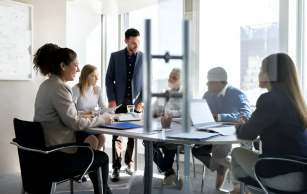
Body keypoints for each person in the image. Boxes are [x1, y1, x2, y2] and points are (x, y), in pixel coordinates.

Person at [33, 43, 113, 194]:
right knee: (101, 157)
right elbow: (74, 123)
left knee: (92, 141)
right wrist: (103, 120)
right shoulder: (60, 88)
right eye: (75, 65)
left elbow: (66, 115)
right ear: (63, 66)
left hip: (44, 149)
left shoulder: (46, 85)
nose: (78, 70)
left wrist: (84, 116)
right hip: (57, 152)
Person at [231, 53, 307, 194]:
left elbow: (247, 134)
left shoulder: (270, 99)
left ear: (267, 74)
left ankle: (238, 190)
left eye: (260, 70)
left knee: (236, 154)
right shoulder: (296, 101)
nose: (258, 74)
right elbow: (277, 130)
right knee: (242, 167)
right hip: (302, 173)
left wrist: (240, 126)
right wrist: (251, 124)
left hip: (285, 175)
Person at [192, 67, 252, 190]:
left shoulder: (237, 94)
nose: (206, 83)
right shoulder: (208, 94)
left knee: (218, 157)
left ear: (217, 81)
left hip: (229, 134)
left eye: (208, 80)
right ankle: (221, 167)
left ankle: (243, 183)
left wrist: (219, 117)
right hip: (212, 133)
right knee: (196, 150)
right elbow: (201, 111)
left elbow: (246, 114)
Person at [106, 28, 143, 181]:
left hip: (135, 104)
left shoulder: (144, 58)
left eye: (138, 42)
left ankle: (129, 163)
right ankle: (115, 166)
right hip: (118, 102)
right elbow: (109, 79)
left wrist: (143, 101)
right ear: (126, 41)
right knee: (117, 135)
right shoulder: (115, 56)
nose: (136, 45)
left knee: (132, 136)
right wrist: (111, 99)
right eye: (133, 42)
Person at [151, 68, 184, 189]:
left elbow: (186, 112)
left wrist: (170, 112)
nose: (170, 79)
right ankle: (170, 173)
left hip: (177, 132)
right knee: (148, 142)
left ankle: (169, 173)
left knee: (170, 143)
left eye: (174, 78)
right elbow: (153, 108)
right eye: (170, 76)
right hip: (161, 129)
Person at [72, 64, 107, 151]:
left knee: (102, 138)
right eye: (94, 76)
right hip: (81, 125)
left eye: (97, 76)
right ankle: (89, 161)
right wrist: (87, 113)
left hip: (93, 124)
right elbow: (72, 112)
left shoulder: (98, 89)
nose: (97, 78)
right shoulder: (76, 89)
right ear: (86, 76)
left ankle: (94, 161)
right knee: (93, 140)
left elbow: (103, 108)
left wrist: (109, 111)